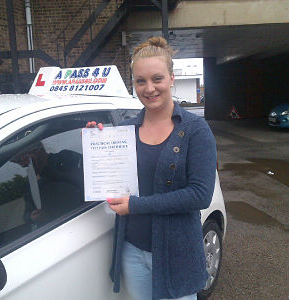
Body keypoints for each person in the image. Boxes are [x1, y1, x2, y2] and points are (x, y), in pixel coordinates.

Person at [88, 36, 216, 300]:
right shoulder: (125, 131)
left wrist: (135, 206)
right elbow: (109, 177)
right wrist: (95, 143)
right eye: (140, 81)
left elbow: (200, 195)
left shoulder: (195, 130)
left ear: (171, 78)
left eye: (157, 78)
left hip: (178, 254)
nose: (149, 88)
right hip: (133, 251)